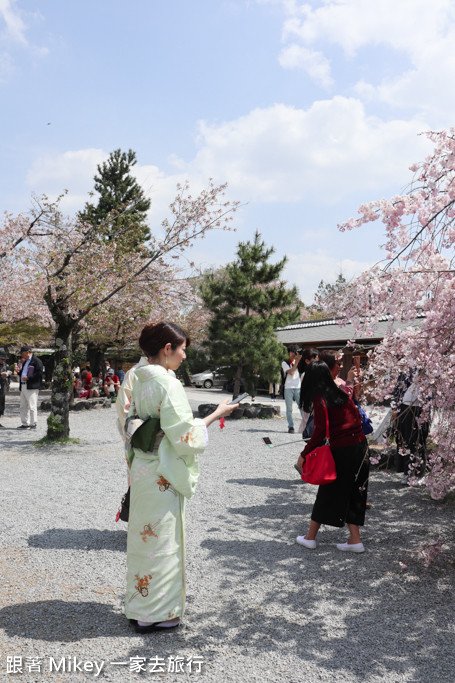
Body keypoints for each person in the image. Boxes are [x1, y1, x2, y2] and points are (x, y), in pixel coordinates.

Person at [125, 321, 238, 633]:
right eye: (183, 350)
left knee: (142, 540)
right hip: (163, 472)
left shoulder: (139, 379)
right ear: (167, 349)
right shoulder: (167, 384)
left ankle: (139, 605)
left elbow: (131, 423)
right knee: (163, 541)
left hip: (144, 468)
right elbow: (184, 435)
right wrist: (217, 413)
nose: (185, 357)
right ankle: (157, 613)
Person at [296, 361, 369, 553]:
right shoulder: (341, 393)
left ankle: (310, 538)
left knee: (327, 493)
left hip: (342, 450)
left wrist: (304, 454)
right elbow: (357, 419)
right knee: (354, 491)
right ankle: (355, 540)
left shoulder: (321, 399)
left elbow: (319, 431)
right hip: (361, 448)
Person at [17, 345, 44, 429]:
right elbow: (23, 373)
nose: (21, 355)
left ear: (27, 352)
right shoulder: (25, 362)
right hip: (23, 385)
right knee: (23, 405)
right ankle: (25, 423)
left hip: (32, 386)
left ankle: (33, 423)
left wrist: (29, 378)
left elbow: (39, 373)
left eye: (22, 353)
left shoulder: (36, 361)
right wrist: (18, 372)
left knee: (32, 406)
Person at [281, 345, 302, 433]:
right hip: (288, 387)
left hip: (298, 387)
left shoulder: (300, 362)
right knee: (289, 408)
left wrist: (299, 360)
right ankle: (291, 426)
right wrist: (297, 361)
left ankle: (306, 425)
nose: (294, 354)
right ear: (289, 353)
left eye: (295, 352)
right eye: (293, 352)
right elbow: (291, 372)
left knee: (302, 407)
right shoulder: (285, 363)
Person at [0, 348, 11, 427]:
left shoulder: (4, 365)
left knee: (1, 403)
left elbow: (7, 374)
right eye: (2, 359)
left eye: (4, 359)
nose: (3, 360)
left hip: (2, 385)